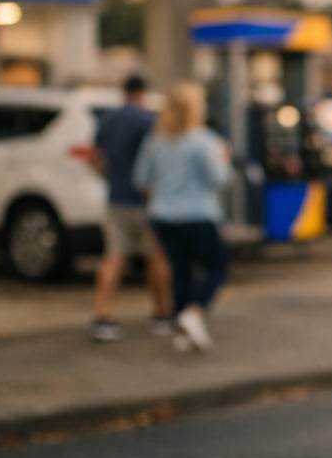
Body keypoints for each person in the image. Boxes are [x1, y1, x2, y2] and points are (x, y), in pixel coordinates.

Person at [133, 80, 232, 352]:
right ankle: (194, 312)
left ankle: (182, 332)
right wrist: (225, 160)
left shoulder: (155, 139)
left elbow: (141, 179)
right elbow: (219, 178)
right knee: (217, 268)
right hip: (198, 214)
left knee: (182, 272)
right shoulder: (204, 141)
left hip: (163, 216)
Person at [90, 73, 171, 343]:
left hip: (116, 199)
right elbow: (157, 163)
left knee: (113, 257)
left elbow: (95, 155)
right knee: (156, 257)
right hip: (144, 202)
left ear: (123, 91)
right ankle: (161, 315)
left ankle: (103, 316)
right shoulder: (149, 121)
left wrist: (109, 176)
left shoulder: (108, 120)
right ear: (143, 92)